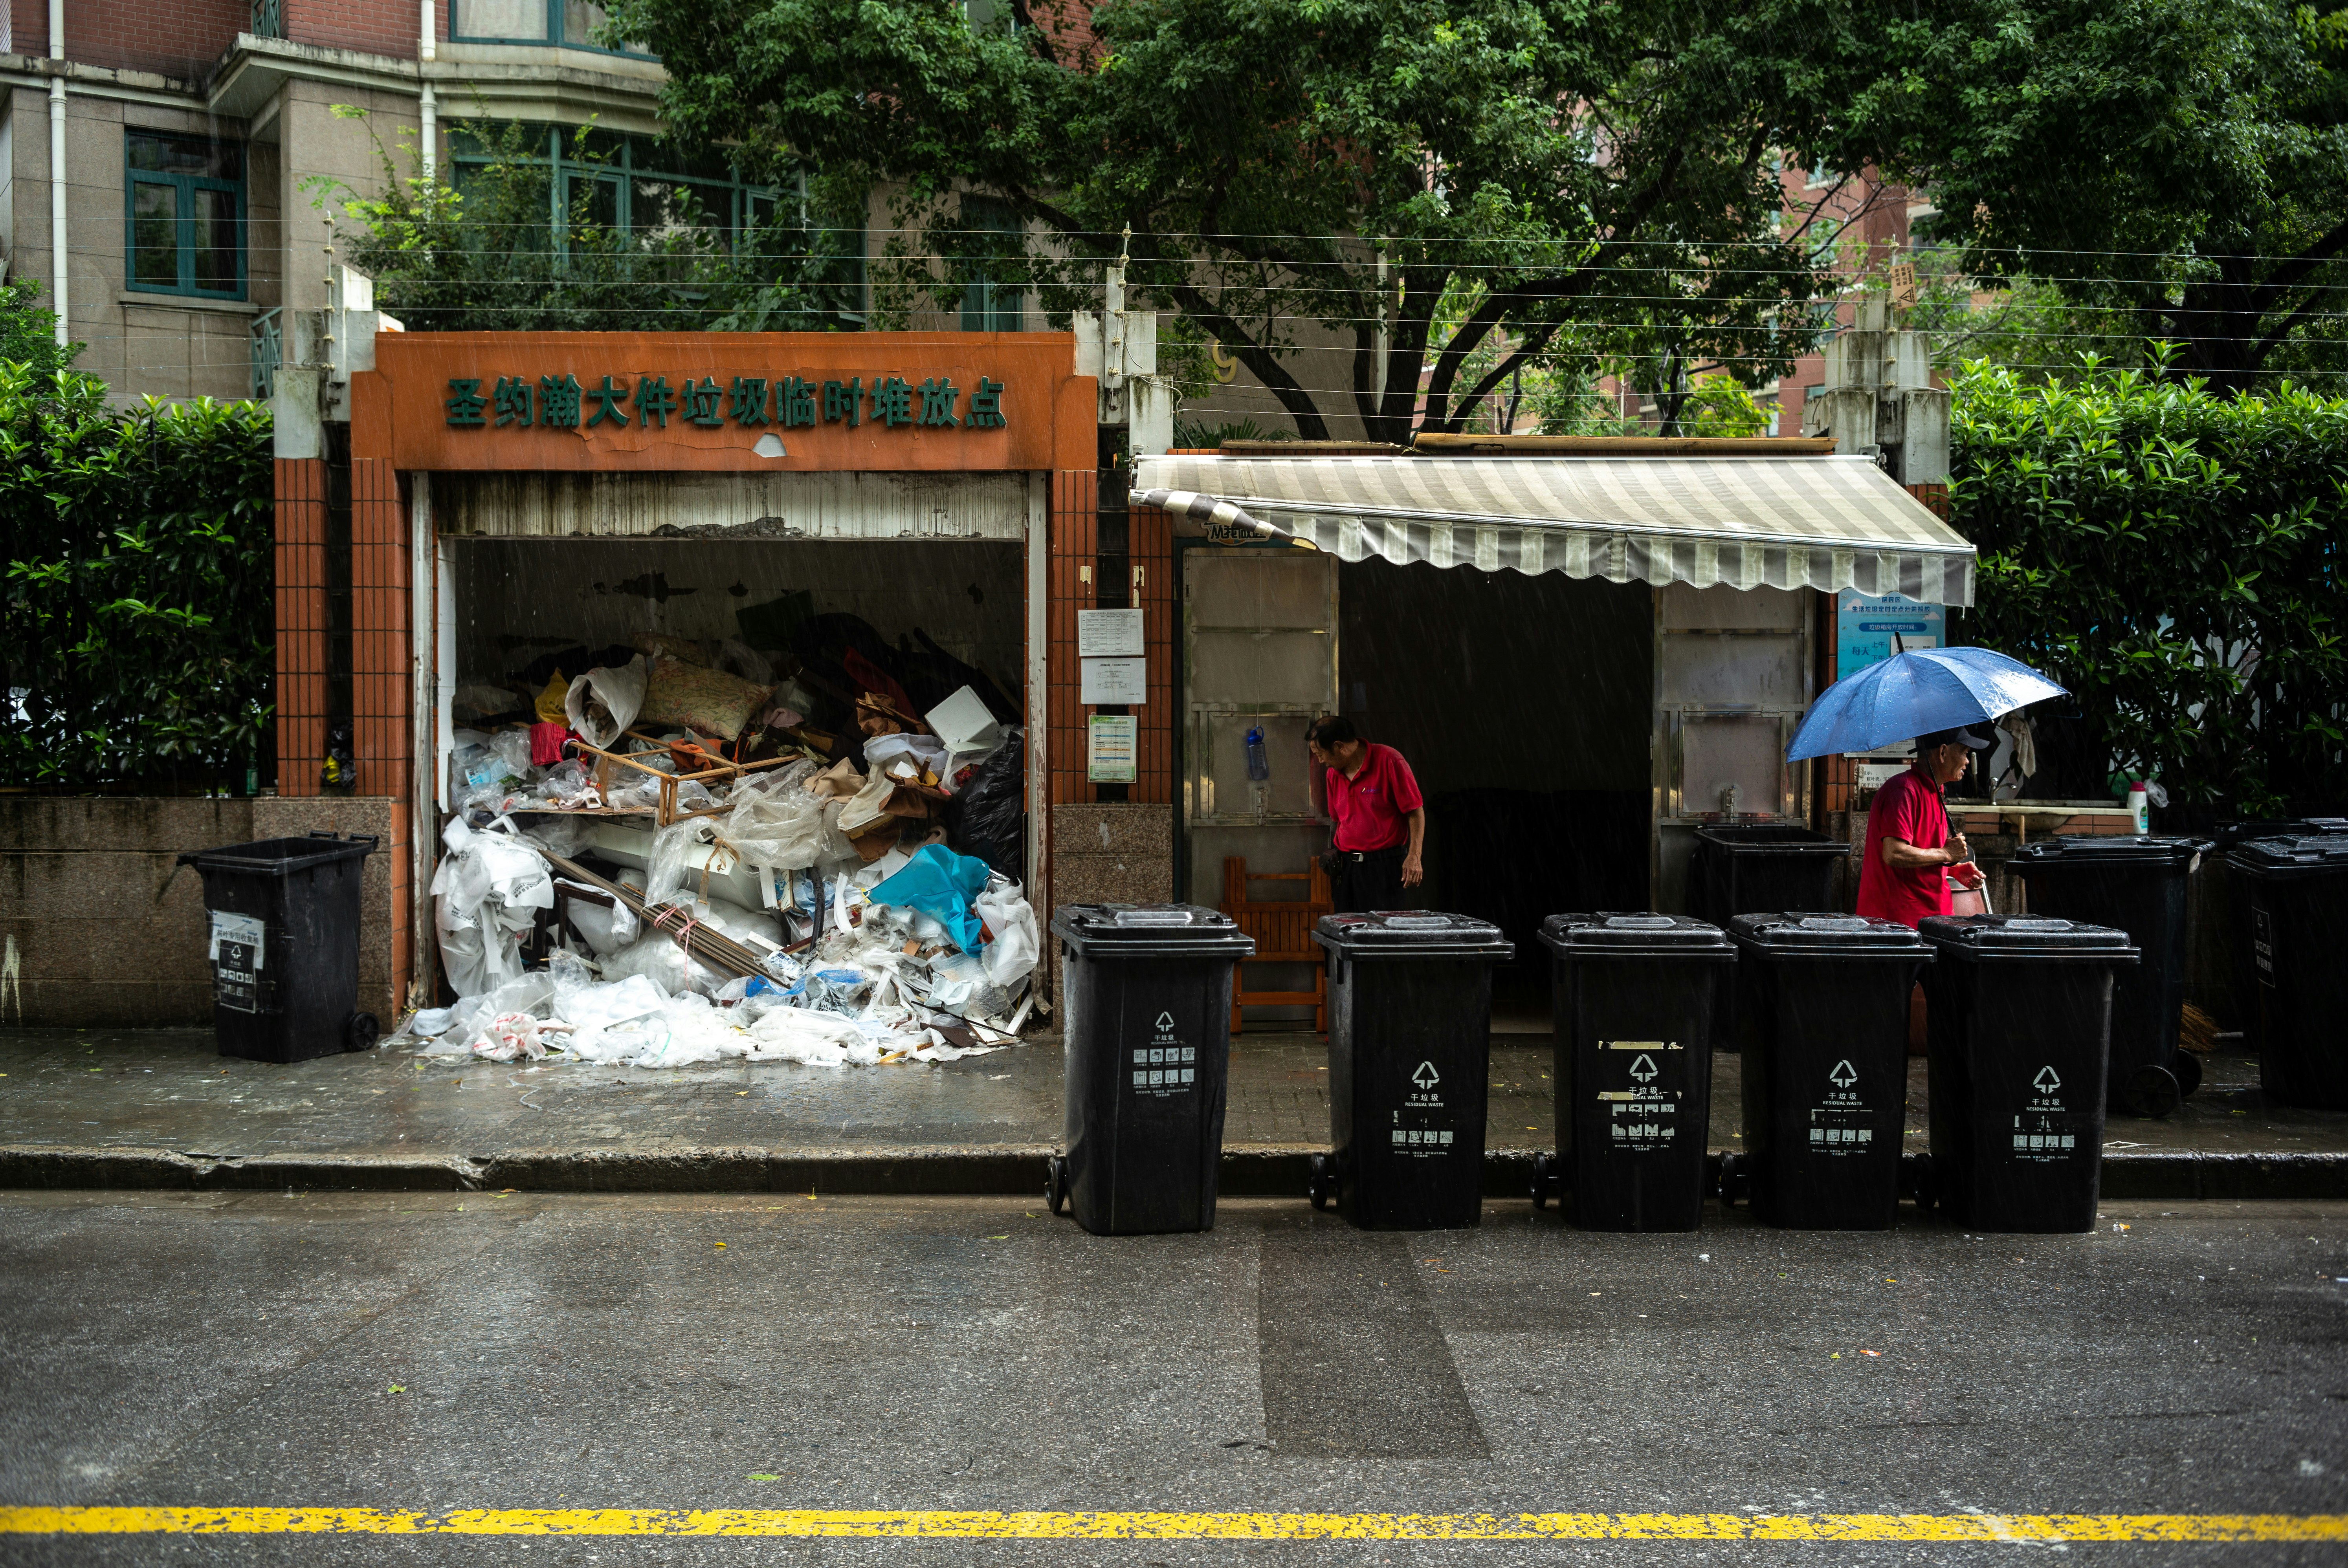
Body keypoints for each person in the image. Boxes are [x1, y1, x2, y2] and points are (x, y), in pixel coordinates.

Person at [1856, 725, 1991, 927]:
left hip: (1935, 918)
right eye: (1964, 753)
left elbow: (1925, 851)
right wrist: (1946, 854)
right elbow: (1894, 853)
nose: (1966, 762)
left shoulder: (1936, 791)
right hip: (1900, 923)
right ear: (1943, 752)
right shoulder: (1903, 791)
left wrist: (1954, 870)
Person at [1308, 716, 1425, 912]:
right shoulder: (1333, 774)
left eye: (1321, 754)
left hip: (1383, 866)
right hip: (1346, 867)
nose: (1320, 761)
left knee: (1382, 933)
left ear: (1339, 746)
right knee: (1345, 930)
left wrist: (1415, 856)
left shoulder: (1390, 760)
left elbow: (1415, 811)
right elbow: (1339, 819)